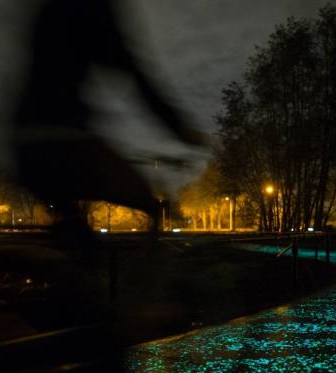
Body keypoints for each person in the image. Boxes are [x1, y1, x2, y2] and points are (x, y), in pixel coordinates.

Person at [14, 0, 204, 241]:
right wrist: (182, 130)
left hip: (23, 149)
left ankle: (73, 254)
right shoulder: (94, 9)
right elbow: (136, 78)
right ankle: (139, 273)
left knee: (73, 226)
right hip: (66, 144)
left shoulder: (46, 8)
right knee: (150, 203)